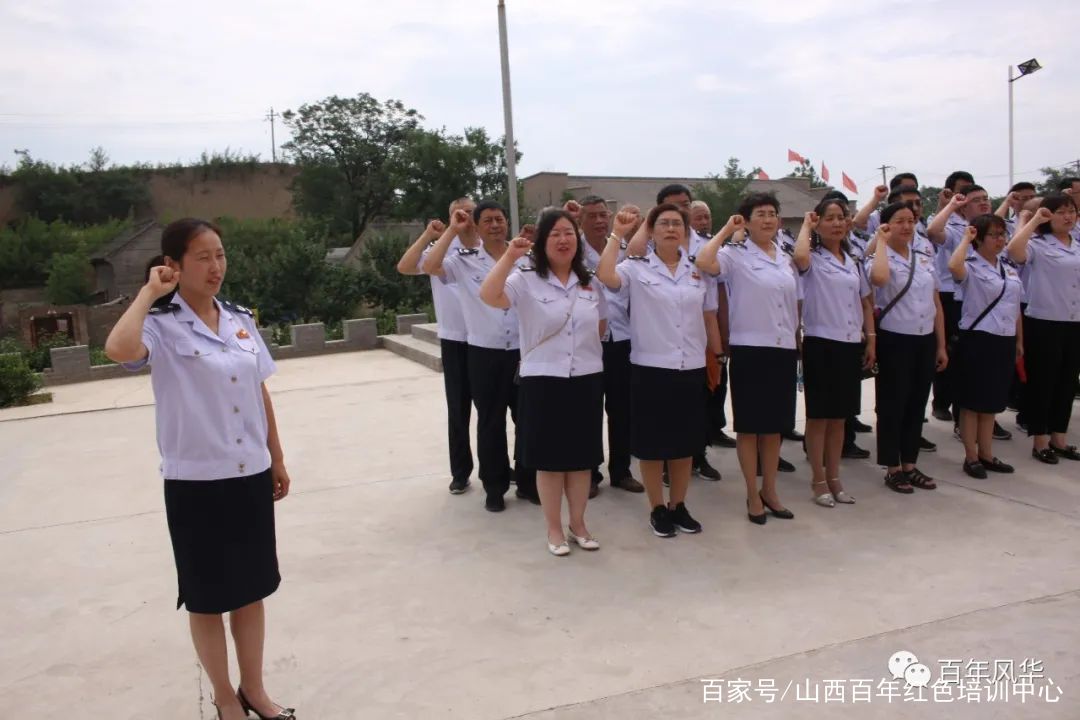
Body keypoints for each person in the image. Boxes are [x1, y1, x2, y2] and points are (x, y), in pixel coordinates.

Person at [104, 218, 294, 720]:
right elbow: (118, 350)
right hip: (196, 482)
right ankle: (225, 697)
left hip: (249, 473)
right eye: (203, 257)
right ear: (173, 265)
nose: (216, 267)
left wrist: (275, 456)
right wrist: (148, 293)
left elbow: (259, 390)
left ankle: (254, 689)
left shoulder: (239, 319)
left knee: (251, 591)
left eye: (221, 255)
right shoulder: (159, 325)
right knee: (207, 598)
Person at [480, 210, 606, 555]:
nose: (563, 240)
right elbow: (489, 296)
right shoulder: (525, 279)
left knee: (582, 459)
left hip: (586, 377)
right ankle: (553, 529)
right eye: (554, 235)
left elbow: (601, 325)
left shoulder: (590, 281)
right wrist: (509, 256)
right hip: (543, 379)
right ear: (542, 242)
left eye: (569, 233)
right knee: (550, 461)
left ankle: (578, 523)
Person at [595, 203, 721, 537]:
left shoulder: (697, 271)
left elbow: (707, 317)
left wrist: (716, 357)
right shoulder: (637, 269)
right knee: (652, 447)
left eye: (676, 224)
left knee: (684, 445)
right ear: (651, 231)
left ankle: (678, 505)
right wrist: (617, 234)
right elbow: (605, 275)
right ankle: (657, 508)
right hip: (651, 368)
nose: (670, 229)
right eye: (662, 223)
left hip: (689, 367)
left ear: (685, 231)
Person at [422, 201, 539, 510]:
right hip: (484, 352)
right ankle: (495, 487)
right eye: (487, 220)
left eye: (499, 219)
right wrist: (452, 230)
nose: (495, 225)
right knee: (490, 422)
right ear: (476, 226)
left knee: (527, 419)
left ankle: (528, 483)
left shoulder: (525, 258)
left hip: (522, 352)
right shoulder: (464, 261)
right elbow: (430, 267)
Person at [696, 192, 799, 525]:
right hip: (752, 349)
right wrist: (727, 229)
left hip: (783, 348)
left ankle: (770, 489)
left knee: (774, 428)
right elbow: (703, 262)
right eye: (760, 214)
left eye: (772, 213)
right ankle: (752, 494)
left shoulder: (784, 256)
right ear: (747, 220)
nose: (767, 219)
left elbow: (793, 303)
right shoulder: (734, 254)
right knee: (751, 428)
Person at [792, 199, 875, 507]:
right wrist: (805, 224)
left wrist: (871, 340)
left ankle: (836, 477)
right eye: (829, 218)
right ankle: (818, 479)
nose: (837, 223)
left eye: (842, 218)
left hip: (849, 343)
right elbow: (799, 257)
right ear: (818, 223)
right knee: (819, 418)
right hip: (820, 343)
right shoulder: (811, 258)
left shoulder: (853, 259)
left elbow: (865, 301)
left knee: (840, 418)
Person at [396, 198, 477, 495]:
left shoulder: (488, 247)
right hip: (456, 339)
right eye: (460, 213)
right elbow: (405, 266)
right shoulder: (443, 248)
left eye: (471, 212)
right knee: (459, 411)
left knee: (494, 411)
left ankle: (501, 467)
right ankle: (460, 472)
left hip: (489, 340)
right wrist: (431, 235)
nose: (466, 217)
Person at [867, 202, 949, 493]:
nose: (906, 226)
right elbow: (878, 279)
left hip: (924, 339)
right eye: (899, 221)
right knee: (893, 405)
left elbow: (936, 303)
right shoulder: (879, 256)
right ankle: (892, 467)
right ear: (886, 225)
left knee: (916, 405)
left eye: (911, 220)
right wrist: (881, 241)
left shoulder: (924, 257)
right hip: (894, 340)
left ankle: (910, 464)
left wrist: (941, 345)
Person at [575, 195, 645, 496]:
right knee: (588, 410)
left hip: (622, 337)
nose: (600, 221)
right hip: (588, 340)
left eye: (604, 215)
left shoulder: (626, 250)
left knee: (622, 409)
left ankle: (621, 470)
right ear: (581, 220)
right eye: (592, 216)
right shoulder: (571, 251)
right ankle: (589, 473)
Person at [947, 215, 1023, 478]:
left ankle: (987, 454)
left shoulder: (1008, 266)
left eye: (1003, 234)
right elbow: (953, 266)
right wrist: (966, 239)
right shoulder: (971, 265)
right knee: (972, 402)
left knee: (991, 402)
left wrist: (1018, 340)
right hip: (978, 339)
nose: (1000, 239)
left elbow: (1014, 306)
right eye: (994, 235)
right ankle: (971, 457)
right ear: (979, 238)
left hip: (1003, 339)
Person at [1006, 197, 1080, 463]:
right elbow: (1014, 251)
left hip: (1073, 321)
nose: (1068, 216)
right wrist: (1033, 220)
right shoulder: (1037, 245)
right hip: (1044, 321)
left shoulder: (1077, 245)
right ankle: (1040, 440)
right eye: (1061, 212)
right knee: (1043, 382)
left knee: (1067, 381)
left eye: (1072, 211)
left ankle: (1059, 437)